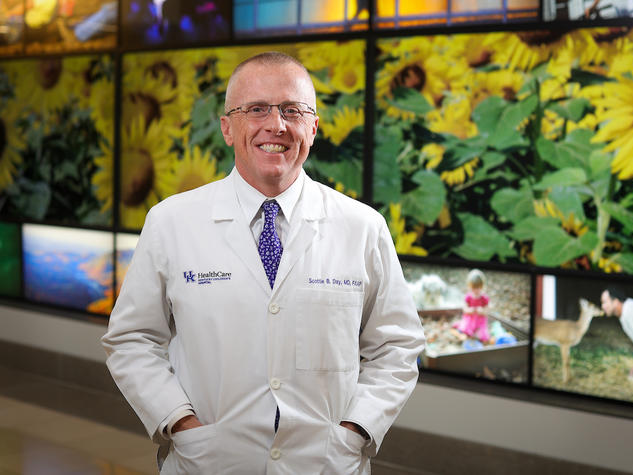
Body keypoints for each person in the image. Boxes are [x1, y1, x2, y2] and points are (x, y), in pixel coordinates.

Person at [102, 52, 425, 474]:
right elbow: (132, 339)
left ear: (313, 127)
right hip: (209, 460)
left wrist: (356, 428)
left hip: (324, 462)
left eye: (293, 110)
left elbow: (397, 345)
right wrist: (180, 423)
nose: (276, 125)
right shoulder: (171, 222)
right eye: (256, 109)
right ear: (227, 128)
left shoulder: (362, 227)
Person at [452, 269, 490, 343]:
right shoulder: (468, 296)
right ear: (469, 286)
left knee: (483, 335)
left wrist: (482, 311)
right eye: (473, 288)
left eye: (478, 288)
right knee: (464, 329)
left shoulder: (484, 298)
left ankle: (476, 334)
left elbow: (487, 310)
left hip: (480, 320)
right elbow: (465, 309)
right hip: (470, 319)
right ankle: (467, 334)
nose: (475, 290)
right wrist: (470, 310)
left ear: (482, 286)